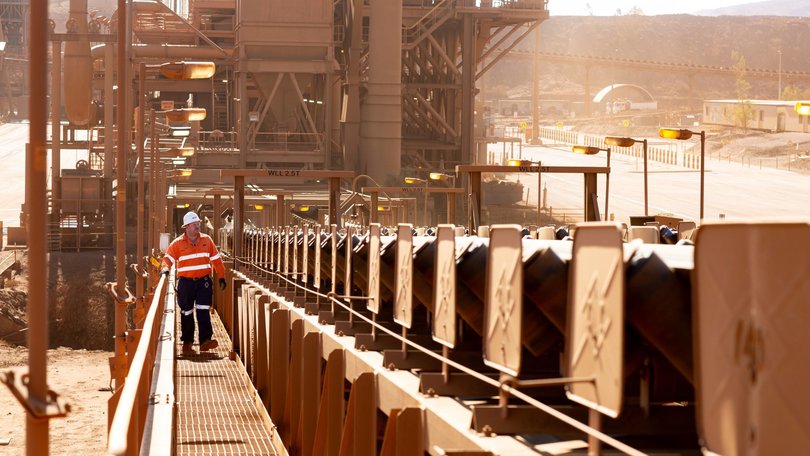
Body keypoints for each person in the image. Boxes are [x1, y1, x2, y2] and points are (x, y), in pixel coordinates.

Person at [161, 211, 227, 356]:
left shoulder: (207, 240)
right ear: (187, 227)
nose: (197, 226)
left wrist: (221, 276)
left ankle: (205, 340)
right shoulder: (177, 244)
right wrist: (165, 269)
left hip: (203, 281)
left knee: (203, 310)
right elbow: (168, 258)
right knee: (186, 312)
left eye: (198, 223)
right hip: (186, 283)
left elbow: (216, 259)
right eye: (194, 224)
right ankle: (187, 342)